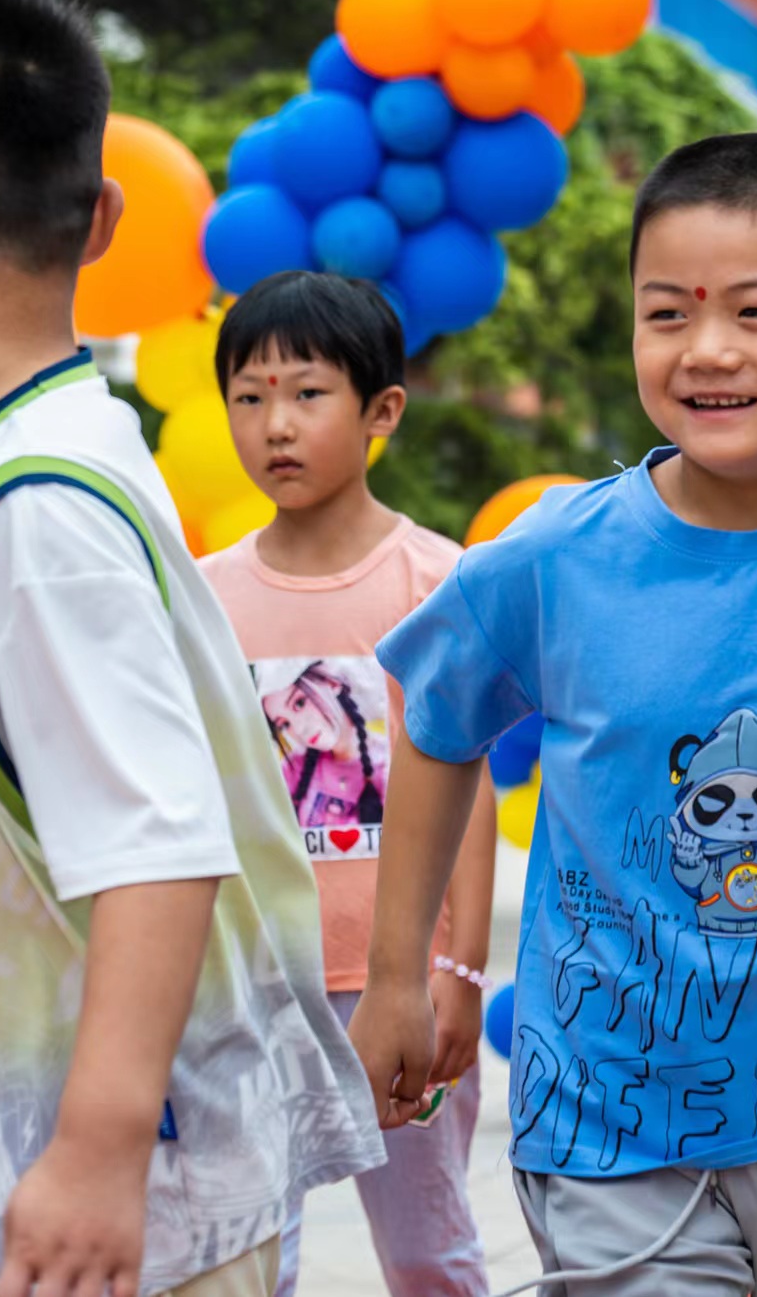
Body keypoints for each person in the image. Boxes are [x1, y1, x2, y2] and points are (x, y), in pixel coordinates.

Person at [0, 0, 383, 1297]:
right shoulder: (28, 458)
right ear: (102, 215)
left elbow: (157, 840)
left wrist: (100, 1145)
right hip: (16, 1180)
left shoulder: (34, 505)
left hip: (88, 1211)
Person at [354, 132, 757, 1296]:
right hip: (612, 1123)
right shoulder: (558, 551)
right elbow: (435, 717)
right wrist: (403, 972)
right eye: (667, 313)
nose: (706, 350)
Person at [195, 270, 497, 1297]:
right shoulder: (202, 595)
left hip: (394, 978)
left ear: (381, 410)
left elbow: (465, 781)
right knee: (242, 1250)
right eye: (249, 394)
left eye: (308, 392)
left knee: (427, 1247)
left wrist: (456, 972)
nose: (275, 423)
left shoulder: (435, 580)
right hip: (250, 980)